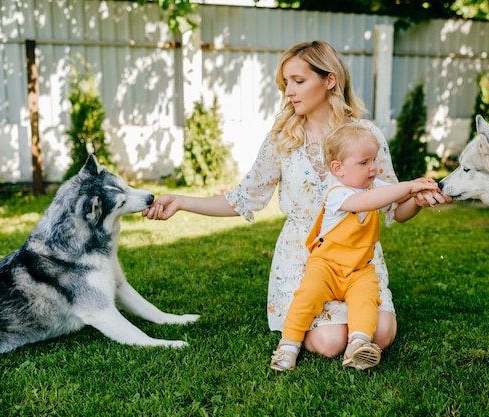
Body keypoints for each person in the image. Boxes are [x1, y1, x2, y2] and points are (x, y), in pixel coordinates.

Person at [143, 40, 450, 359]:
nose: (289, 91)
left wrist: (417, 198)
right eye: (286, 83)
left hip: (359, 259)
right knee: (331, 343)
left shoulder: (366, 134)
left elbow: (395, 209)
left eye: (298, 81)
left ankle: (352, 324)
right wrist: (181, 201)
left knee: (382, 334)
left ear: (329, 80)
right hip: (304, 259)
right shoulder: (282, 138)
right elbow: (242, 199)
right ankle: (327, 327)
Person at [270, 123, 439, 371]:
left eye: (373, 160)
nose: (372, 167)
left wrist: (419, 195)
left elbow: (396, 198)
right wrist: (408, 186)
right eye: (364, 163)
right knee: (307, 296)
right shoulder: (338, 192)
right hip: (326, 266)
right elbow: (367, 202)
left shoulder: (372, 186)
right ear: (338, 168)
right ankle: (288, 346)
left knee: (366, 300)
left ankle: (358, 345)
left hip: (359, 268)